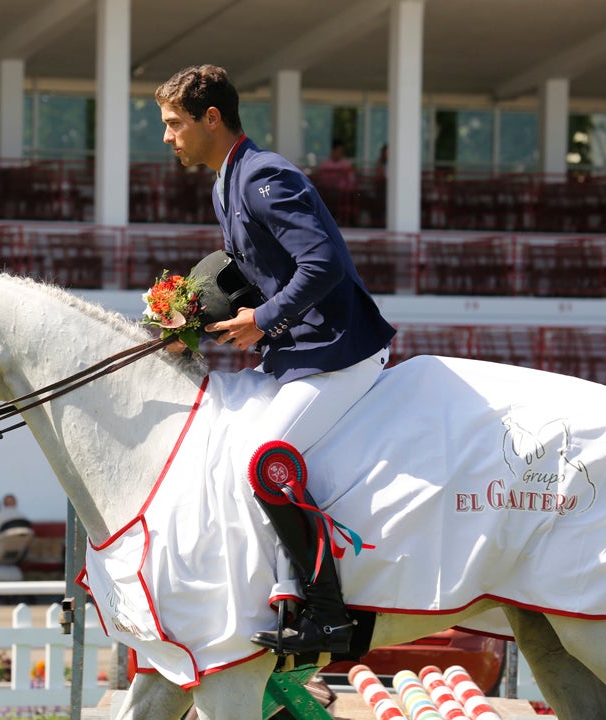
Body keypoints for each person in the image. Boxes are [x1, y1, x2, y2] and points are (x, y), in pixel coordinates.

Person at [155, 64, 397, 656]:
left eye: (173, 123)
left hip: (340, 349)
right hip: (298, 350)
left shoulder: (264, 176)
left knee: (263, 462)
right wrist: (186, 319)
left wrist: (260, 321)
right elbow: (252, 273)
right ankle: (283, 592)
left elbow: (323, 267)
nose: (167, 137)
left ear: (211, 118)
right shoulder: (225, 183)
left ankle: (329, 614)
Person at [315, 139, 357, 224]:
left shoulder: (346, 164)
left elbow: (352, 180)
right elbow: (321, 180)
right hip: (328, 193)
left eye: (341, 151)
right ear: (333, 151)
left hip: (344, 194)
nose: (339, 153)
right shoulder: (325, 164)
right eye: (338, 151)